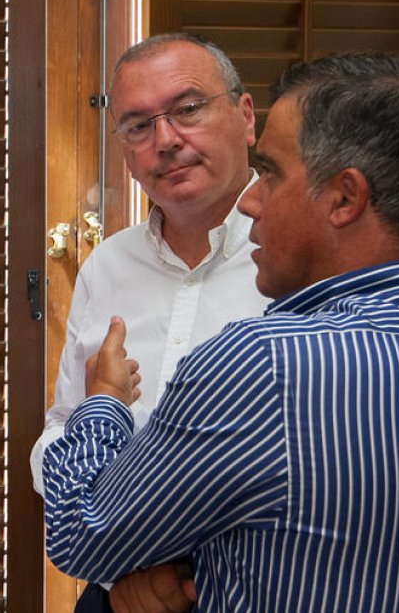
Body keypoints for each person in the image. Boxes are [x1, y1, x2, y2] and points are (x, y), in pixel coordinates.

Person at [42, 53, 399, 612]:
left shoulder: (268, 365)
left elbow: (79, 531)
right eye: (138, 125)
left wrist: (106, 404)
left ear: (344, 198)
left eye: (271, 173)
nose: (253, 200)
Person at [29, 34, 271, 609]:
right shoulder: (107, 266)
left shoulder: (295, 256)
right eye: (138, 126)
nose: (165, 141)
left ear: (244, 116)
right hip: (117, 591)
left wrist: (179, 575)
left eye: (188, 109)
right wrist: (123, 573)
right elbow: (62, 430)